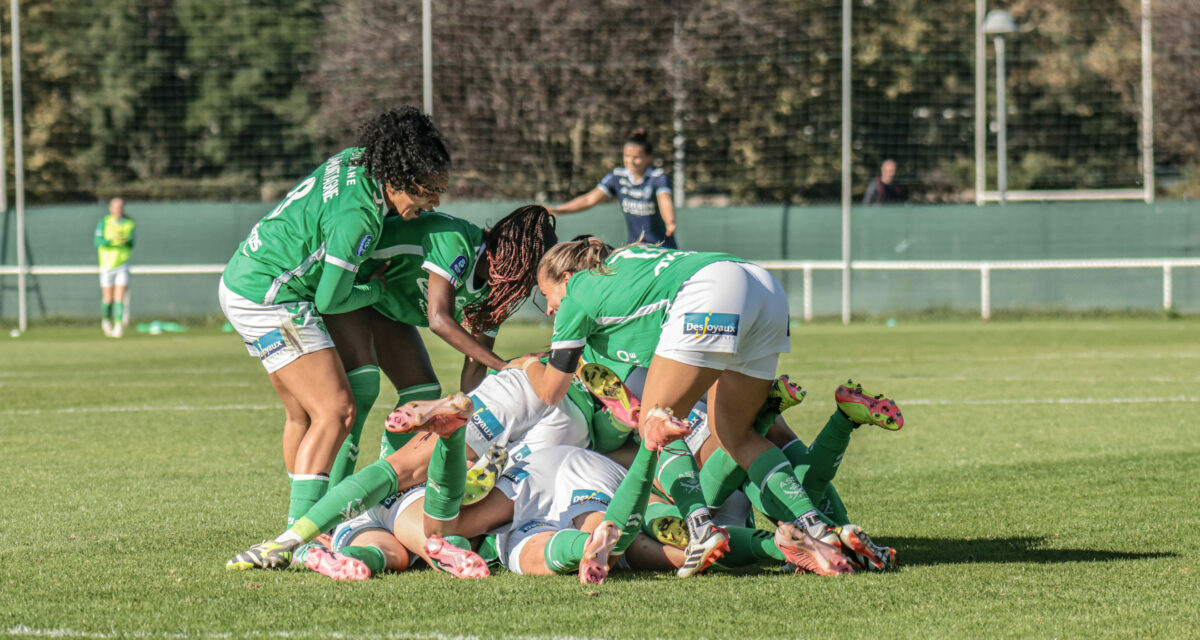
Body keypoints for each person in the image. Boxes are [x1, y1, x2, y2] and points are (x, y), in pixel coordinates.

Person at [525, 237, 904, 577]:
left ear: (567, 277)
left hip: (710, 293)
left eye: (546, 295)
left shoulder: (578, 293)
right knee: (736, 434)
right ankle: (818, 528)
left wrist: (524, 365)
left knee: (656, 423)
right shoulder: (624, 268)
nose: (549, 309)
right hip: (763, 288)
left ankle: (701, 529)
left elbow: (551, 391)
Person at [220, 106, 451, 565]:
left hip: (247, 279)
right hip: (272, 298)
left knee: (303, 416)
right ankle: (299, 540)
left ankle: (307, 524)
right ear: (398, 176)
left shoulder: (354, 160)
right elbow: (331, 298)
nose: (432, 203)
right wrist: (379, 288)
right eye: (428, 191)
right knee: (337, 410)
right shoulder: (359, 216)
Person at [320, 205, 557, 492]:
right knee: (364, 387)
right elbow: (439, 320)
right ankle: (328, 499)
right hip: (352, 286)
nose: (524, 288)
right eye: (526, 276)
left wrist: (476, 428)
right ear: (513, 258)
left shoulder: (496, 294)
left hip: (385, 306)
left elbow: (474, 371)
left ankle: (387, 487)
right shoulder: (457, 240)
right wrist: (505, 367)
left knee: (423, 391)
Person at [549, 128, 678, 248]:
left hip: (664, 248)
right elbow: (589, 199)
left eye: (636, 157)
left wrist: (670, 221)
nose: (630, 161)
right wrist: (558, 210)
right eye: (627, 156)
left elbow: (664, 199)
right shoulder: (617, 177)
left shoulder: (658, 177)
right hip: (636, 248)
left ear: (648, 157)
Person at [94, 198, 135, 338]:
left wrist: (126, 241)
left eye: (120, 207)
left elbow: (132, 242)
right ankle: (106, 321)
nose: (118, 210)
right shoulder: (104, 222)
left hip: (122, 264)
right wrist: (111, 241)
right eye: (115, 207)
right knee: (108, 298)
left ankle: (118, 325)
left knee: (120, 297)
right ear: (111, 208)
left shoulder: (129, 224)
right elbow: (97, 241)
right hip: (107, 265)